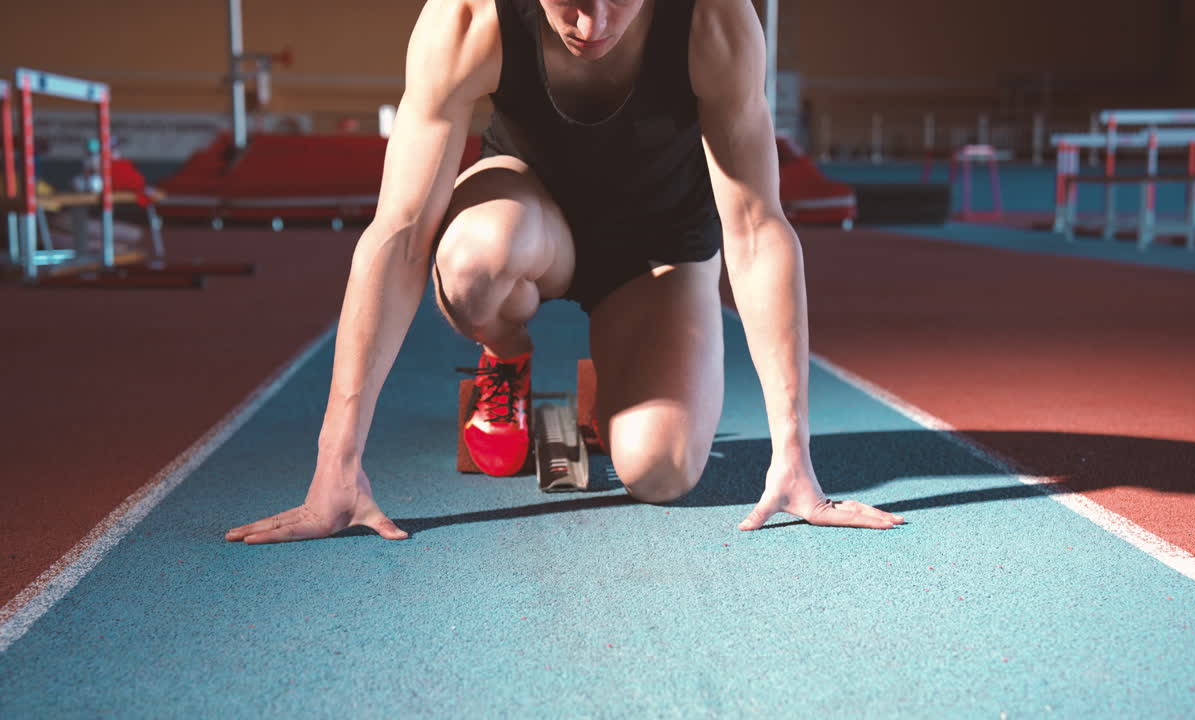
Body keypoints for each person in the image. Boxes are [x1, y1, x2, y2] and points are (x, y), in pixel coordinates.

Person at [225, 0, 905, 545]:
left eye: (619, 2)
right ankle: (508, 353)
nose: (593, 25)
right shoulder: (470, 18)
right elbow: (400, 235)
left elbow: (757, 230)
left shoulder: (713, 19)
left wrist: (793, 454)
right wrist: (335, 463)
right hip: (530, 222)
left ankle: (620, 374)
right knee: (469, 265)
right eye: (572, 1)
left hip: (660, 251)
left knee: (660, 469)